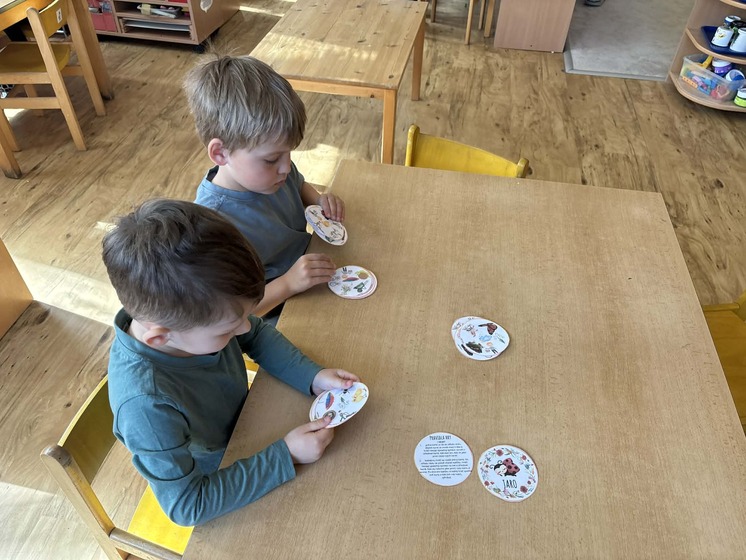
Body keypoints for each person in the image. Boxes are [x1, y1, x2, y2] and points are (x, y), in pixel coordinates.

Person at [102, 199, 360, 526]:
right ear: (159, 338)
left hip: (249, 421)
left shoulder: (188, 321)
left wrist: (312, 375)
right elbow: (187, 505)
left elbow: (255, 334)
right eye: (227, 330)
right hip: (222, 470)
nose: (243, 328)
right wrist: (286, 455)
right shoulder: (145, 408)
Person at [184, 54, 344, 322]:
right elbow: (231, 316)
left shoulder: (273, 173)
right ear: (220, 153)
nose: (286, 167)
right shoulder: (212, 227)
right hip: (274, 309)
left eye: (289, 153)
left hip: (310, 269)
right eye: (272, 159)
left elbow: (297, 184)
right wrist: (289, 283)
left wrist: (319, 201)